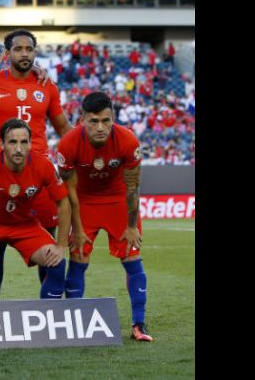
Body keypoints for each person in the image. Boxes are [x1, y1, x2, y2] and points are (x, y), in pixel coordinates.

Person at [0, 29, 72, 299]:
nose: (24, 54)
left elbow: (63, 128)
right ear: (7, 54)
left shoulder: (47, 85)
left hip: (40, 176)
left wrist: (84, 150)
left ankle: (49, 309)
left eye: (29, 49)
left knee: (51, 248)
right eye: (18, 49)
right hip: (1, 172)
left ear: (35, 53)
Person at [56, 91, 153, 342]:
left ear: (114, 119)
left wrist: (132, 226)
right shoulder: (67, 144)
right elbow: (70, 193)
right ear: (82, 120)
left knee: (133, 258)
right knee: (78, 257)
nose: (100, 127)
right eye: (94, 121)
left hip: (119, 200)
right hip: (84, 202)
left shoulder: (128, 141)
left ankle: (139, 325)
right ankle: (72, 322)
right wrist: (76, 228)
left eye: (106, 121)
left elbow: (133, 186)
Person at [0, 118, 71, 301]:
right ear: (1, 144)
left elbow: (63, 202)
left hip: (24, 225)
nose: (18, 148)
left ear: (30, 143)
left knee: (57, 262)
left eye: (24, 142)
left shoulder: (43, 165)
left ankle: (51, 319)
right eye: (12, 142)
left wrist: (61, 244)